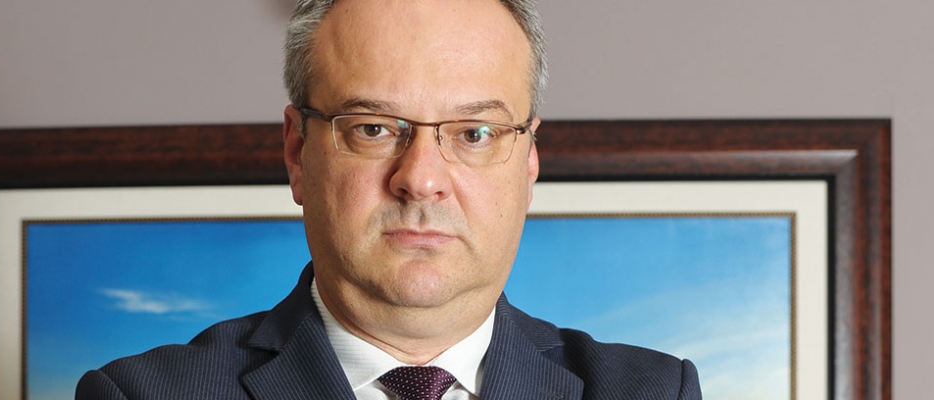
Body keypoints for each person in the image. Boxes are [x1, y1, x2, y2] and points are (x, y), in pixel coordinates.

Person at [76, 0, 702, 399]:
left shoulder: (650, 391)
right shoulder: (142, 394)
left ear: (529, 160)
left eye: (475, 133)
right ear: (297, 152)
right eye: (373, 128)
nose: (421, 179)